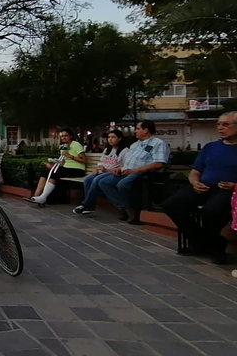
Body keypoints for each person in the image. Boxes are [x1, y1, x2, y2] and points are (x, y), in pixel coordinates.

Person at [163, 112, 237, 264]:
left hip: (228, 190)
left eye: (225, 124)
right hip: (202, 186)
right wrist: (195, 182)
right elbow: (195, 172)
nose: (220, 128)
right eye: (218, 124)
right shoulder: (210, 147)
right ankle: (203, 241)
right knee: (171, 205)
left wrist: (235, 186)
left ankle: (216, 248)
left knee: (212, 211)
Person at [97, 120, 170, 222]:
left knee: (123, 185)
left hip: (142, 172)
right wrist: (119, 168)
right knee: (104, 182)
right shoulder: (135, 145)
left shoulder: (158, 143)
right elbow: (126, 161)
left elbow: (159, 163)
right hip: (126, 171)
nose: (135, 131)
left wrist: (134, 170)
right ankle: (124, 207)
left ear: (146, 130)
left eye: (138, 129)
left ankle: (133, 211)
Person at [24, 128, 86, 205]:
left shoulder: (76, 145)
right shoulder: (63, 147)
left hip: (77, 169)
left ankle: (43, 197)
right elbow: (63, 163)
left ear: (71, 136)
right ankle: (36, 196)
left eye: (66, 136)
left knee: (55, 173)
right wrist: (53, 166)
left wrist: (70, 156)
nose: (63, 137)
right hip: (66, 168)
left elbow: (84, 160)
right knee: (46, 173)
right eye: (62, 136)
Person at [73, 129, 128, 215]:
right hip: (103, 172)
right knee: (88, 179)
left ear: (119, 138)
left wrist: (107, 170)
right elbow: (101, 162)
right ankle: (90, 206)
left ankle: (86, 204)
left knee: (97, 180)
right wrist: (96, 168)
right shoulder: (107, 149)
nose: (110, 139)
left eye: (113, 137)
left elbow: (124, 166)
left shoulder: (125, 151)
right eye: (109, 137)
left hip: (114, 174)